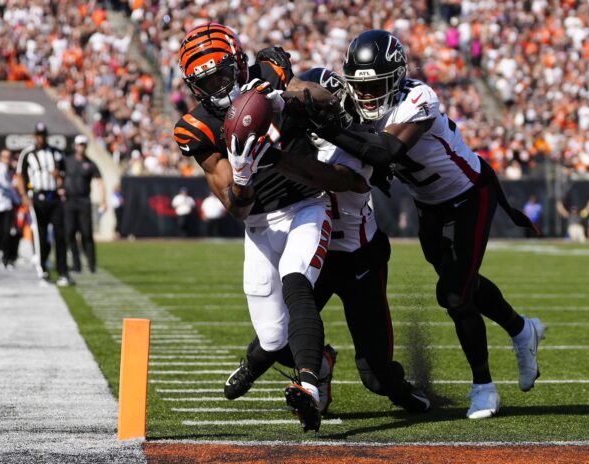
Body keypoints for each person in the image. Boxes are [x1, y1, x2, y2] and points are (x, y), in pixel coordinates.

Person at [317, 30, 546, 419]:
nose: (367, 96)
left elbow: (386, 149)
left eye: (375, 87)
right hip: (430, 205)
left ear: (395, 78)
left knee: (455, 296)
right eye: (361, 88)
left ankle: (484, 387)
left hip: (470, 195)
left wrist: (328, 127)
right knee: (461, 284)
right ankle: (522, 328)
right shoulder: (359, 106)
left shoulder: (418, 98)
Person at [173, 23, 364, 432]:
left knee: (296, 280)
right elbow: (237, 209)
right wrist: (241, 175)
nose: (220, 86)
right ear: (194, 86)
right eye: (208, 81)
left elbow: (333, 104)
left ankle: (309, 386)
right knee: (274, 337)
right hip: (259, 222)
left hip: (306, 204)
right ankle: (316, 360)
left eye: (224, 73)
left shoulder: (268, 74)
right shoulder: (196, 127)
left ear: (239, 64)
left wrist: (291, 88)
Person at [225, 67, 432, 414]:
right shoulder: (293, 134)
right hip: (317, 254)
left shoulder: (358, 141)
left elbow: (330, 177)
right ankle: (264, 365)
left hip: (358, 258)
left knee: (376, 376)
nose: (304, 112)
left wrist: (274, 156)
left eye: (312, 106)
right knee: (275, 334)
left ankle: (403, 392)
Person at [16, 122, 72, 286]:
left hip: (54, 196)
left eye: (43, 135)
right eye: (38, 135)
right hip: (37, 197)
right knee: (40, 236)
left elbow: (64, 174)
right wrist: (24, 195)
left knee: (60, 234)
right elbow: (21, 176)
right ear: (34, 136)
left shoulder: (56, 152)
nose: (41, 138)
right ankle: (43, 271)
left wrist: (59, 176)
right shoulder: (27, 154)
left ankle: (63, 272)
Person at [64, 135, 106, 273]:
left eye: (83, 145)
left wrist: (103, 200)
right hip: (69, 201)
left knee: (86, 234)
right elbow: (58, 175)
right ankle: (76, 265)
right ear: (75, 146)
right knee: (70, 233)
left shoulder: (90, 164)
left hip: (84, 201)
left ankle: (91, 264)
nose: (81, 147)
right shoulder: (67, 161)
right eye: (79, 145)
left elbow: (100, 181)